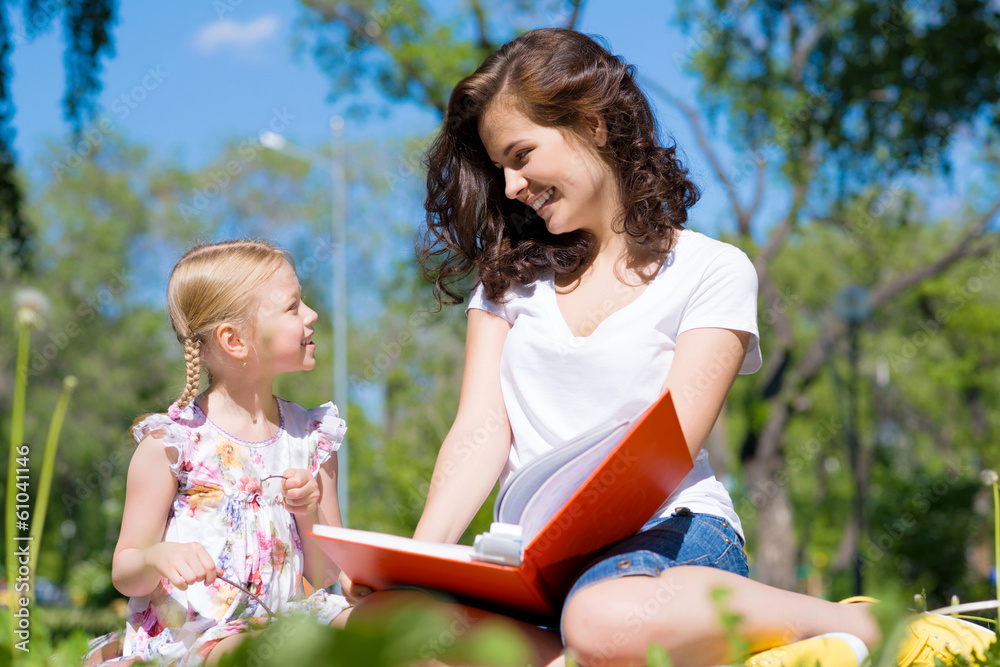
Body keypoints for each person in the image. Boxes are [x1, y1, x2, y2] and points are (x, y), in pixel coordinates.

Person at [343, 28, 996, 667]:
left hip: (668, 537)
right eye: (498, 168)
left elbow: (670, 445)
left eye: (520, 155)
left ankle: (864, 624)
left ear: (592, 122)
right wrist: (417, 565)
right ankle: (594, 655)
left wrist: (566, 558)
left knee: (604, 617)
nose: (510, 185)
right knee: (383, 622)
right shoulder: (507, 285)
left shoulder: (712, 268)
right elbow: (481, 429)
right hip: (528, 564)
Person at [87, 240, 350, 666]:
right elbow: (125, 572)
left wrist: (307, 510)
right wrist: (157, 556)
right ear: (235, 340)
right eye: (293, 306)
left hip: (289, 619)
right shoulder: (171, 444)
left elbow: (325, 577)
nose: (311, 315)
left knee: (383, 624)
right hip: (201, 636)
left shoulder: (312, 439)